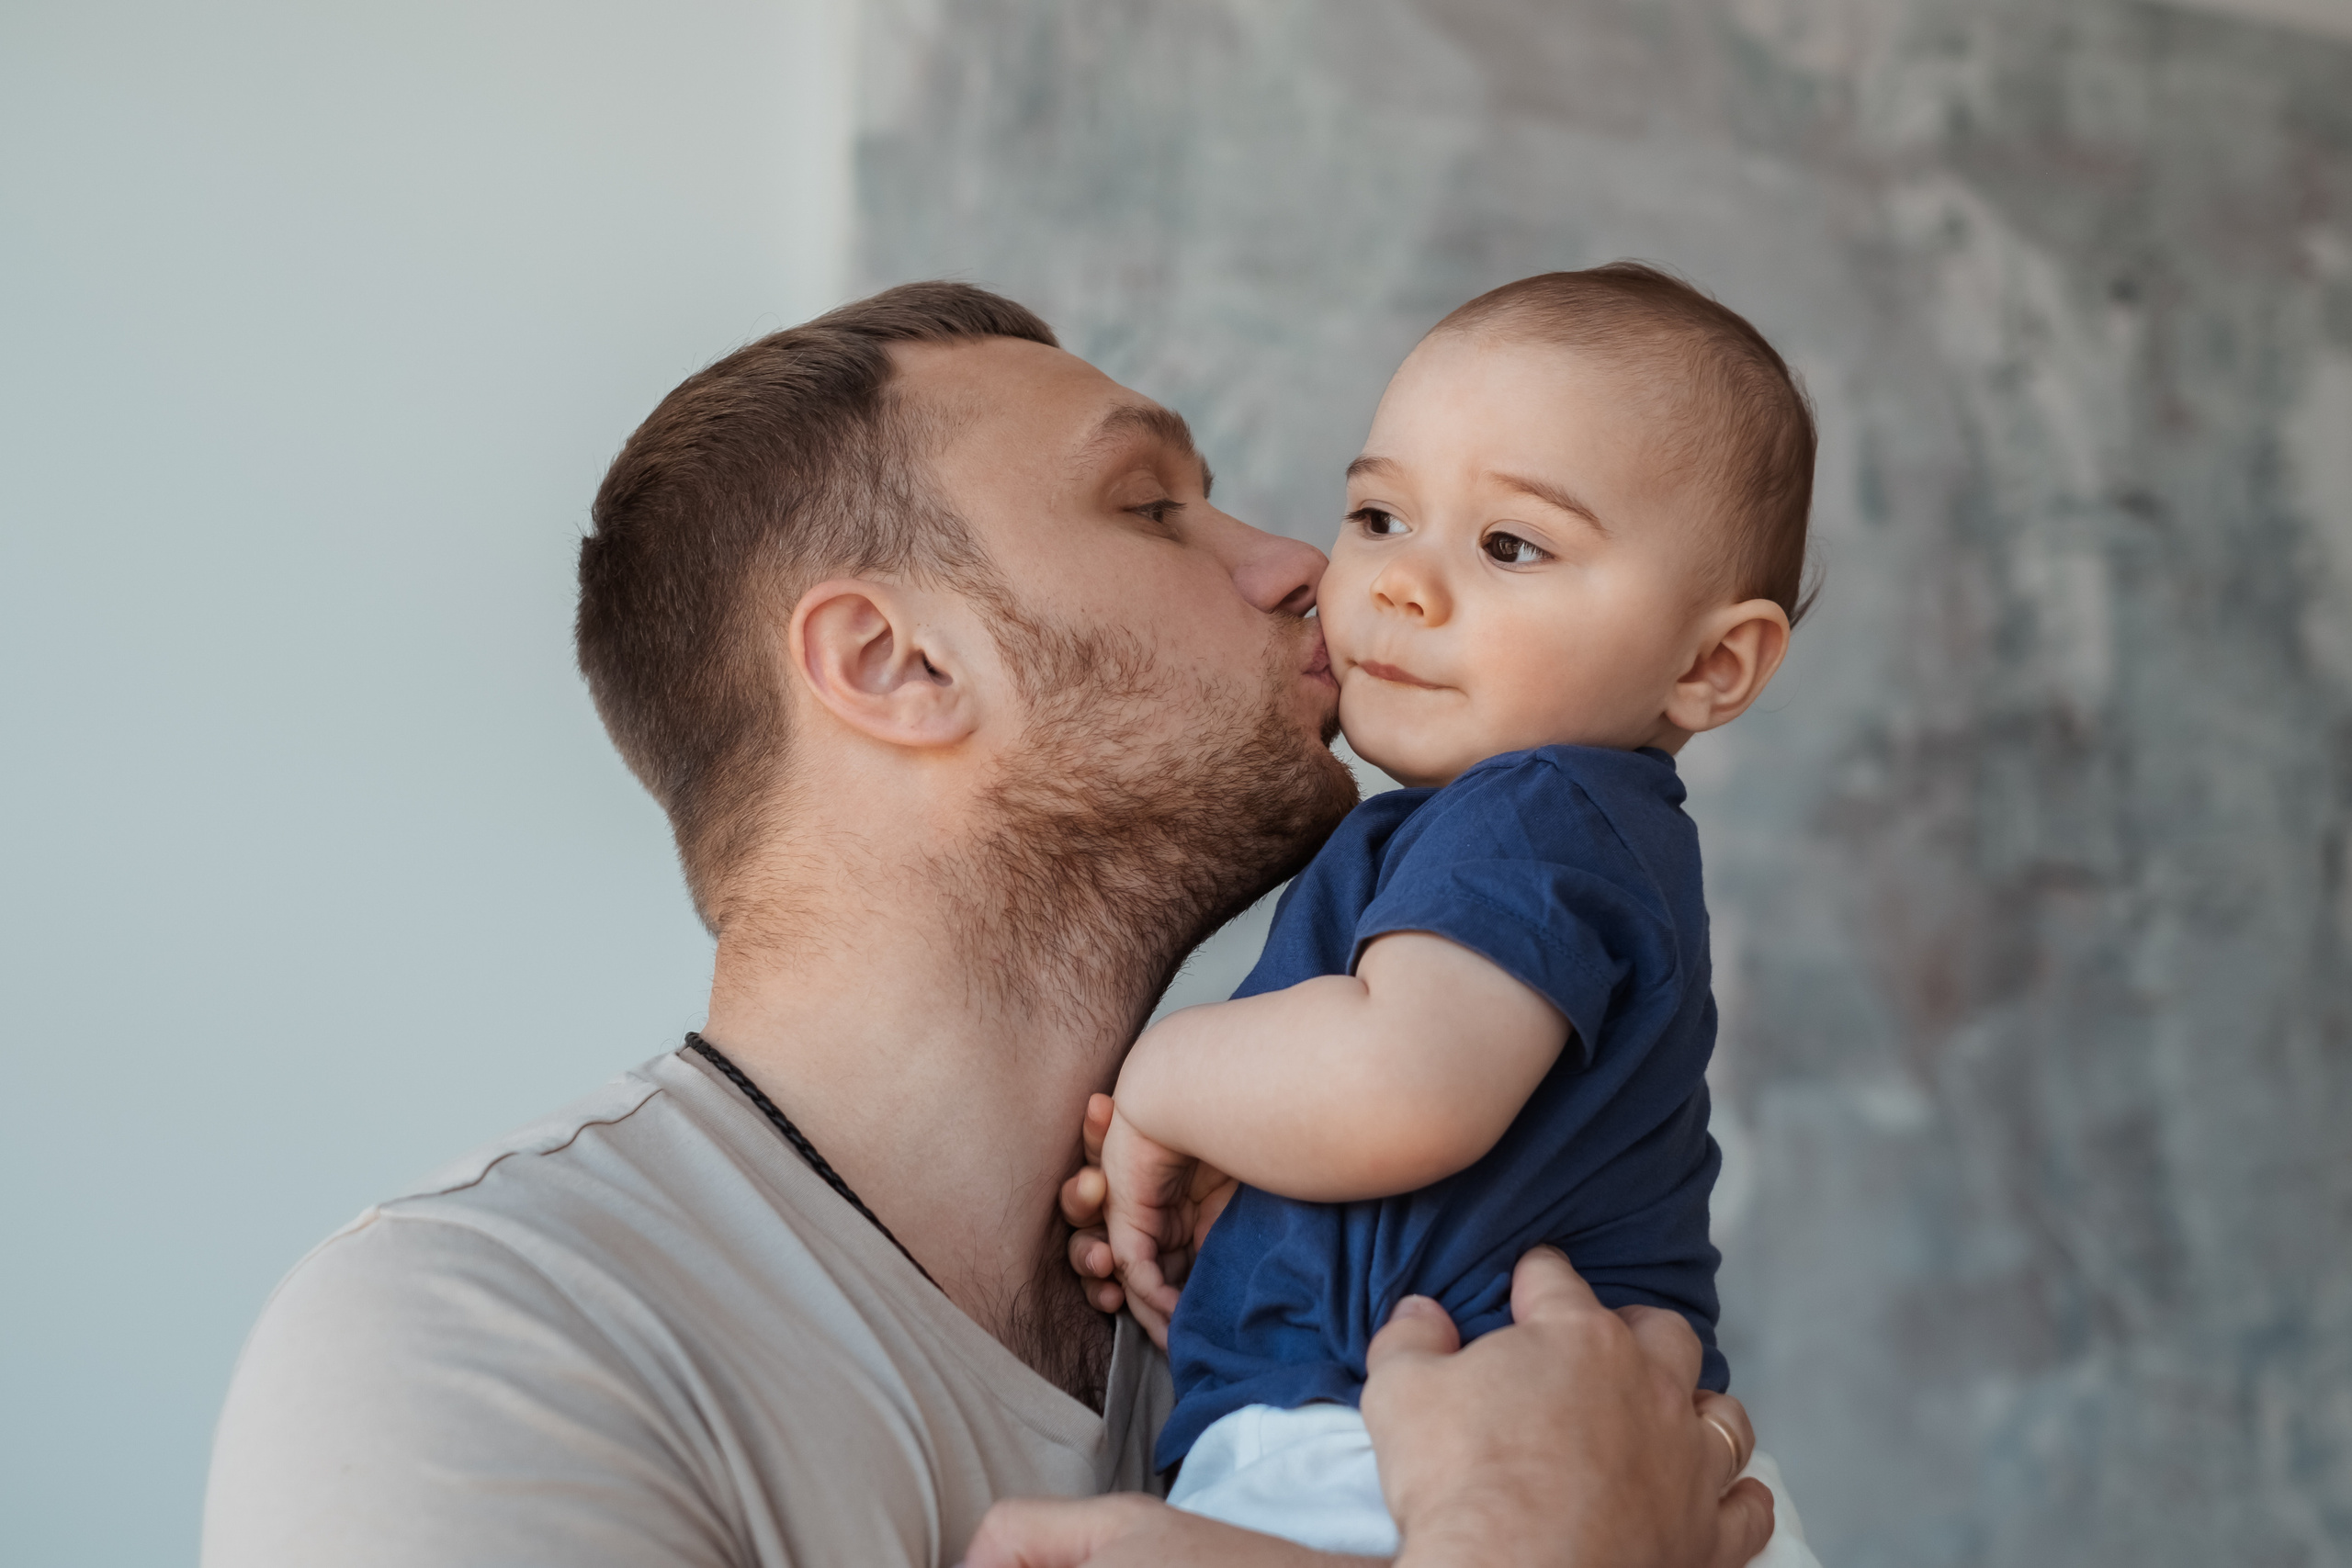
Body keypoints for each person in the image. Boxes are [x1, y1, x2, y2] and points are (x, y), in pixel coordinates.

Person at [200, 283, 1776, 1567]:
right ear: (895, 663)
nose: (1304, 568)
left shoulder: (1353, 1264)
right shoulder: (480, 1345)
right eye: (1152, 506)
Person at [1057, 265, 1817, 1561]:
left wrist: (1167, 1082)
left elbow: (1401, 1085)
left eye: (1510, 544)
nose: (1403, 585)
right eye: (1377, 515)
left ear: (1708, 664)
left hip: (1433, 1449)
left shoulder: (1541, 812)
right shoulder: (1512, 828)